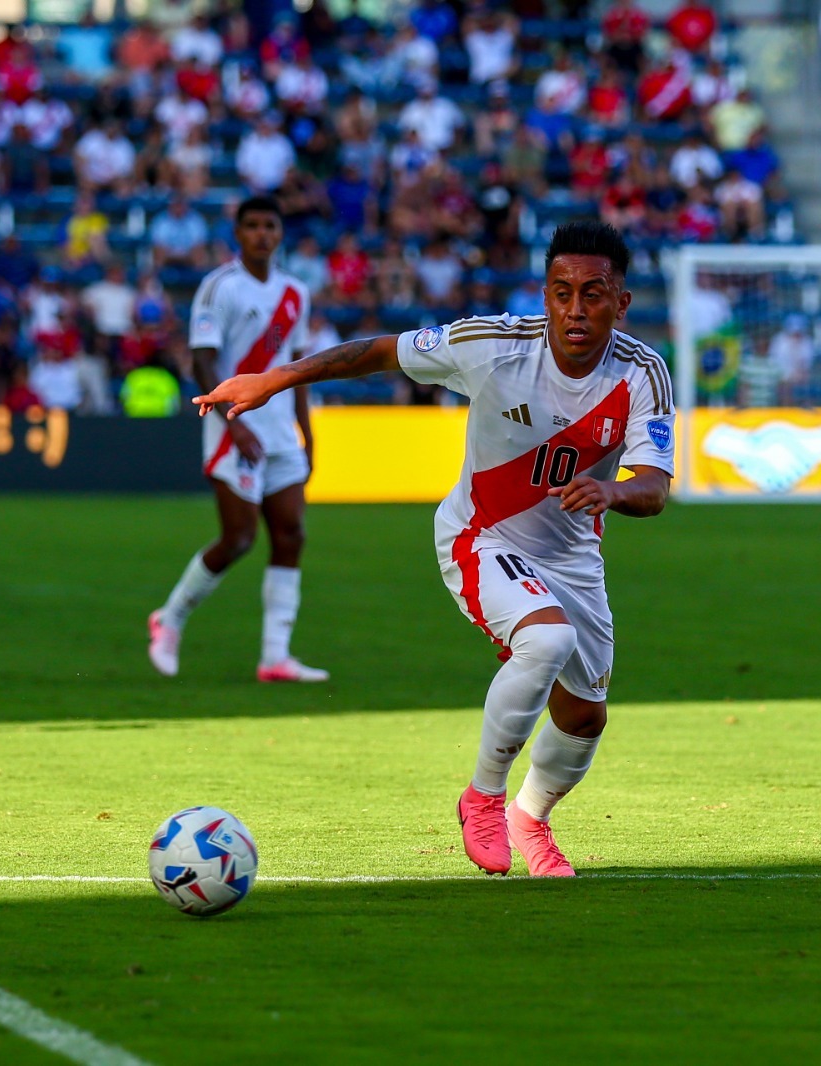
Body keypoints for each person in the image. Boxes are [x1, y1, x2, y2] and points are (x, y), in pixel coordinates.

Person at [191, 221, 675, 879]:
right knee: (547, 638)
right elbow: (376, 352)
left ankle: (530, 818)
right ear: (545, 295)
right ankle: (483, 797)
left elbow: (653, 487)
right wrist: (274, 380)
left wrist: (613, 492)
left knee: (585, 716)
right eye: (561, 292)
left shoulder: (643, 372)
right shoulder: (492, 345)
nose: (575, 309)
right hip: (481, 535)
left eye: (593, 294)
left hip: (572, 557)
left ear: (621, 302)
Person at [148, 196, 326, 684]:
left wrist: (308, 432)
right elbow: (203, 360)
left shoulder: (295, 292)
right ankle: (170, 618)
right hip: (235, 429)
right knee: (240, 537)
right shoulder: (219, 287)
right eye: (253, 226)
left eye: (270, 226)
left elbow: (298, 370)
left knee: (291, 534)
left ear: (280, 234)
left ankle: (275, 657)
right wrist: (234, 423)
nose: (262, 234)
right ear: (238, 233)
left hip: (281, 433)